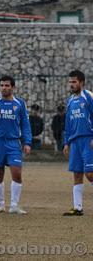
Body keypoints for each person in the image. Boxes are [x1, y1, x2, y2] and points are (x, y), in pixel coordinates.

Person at [0, 75, 32, 214]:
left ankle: (14, 205)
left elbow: (25, 124)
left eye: (7, 85)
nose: (4, 88)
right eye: (2, 85)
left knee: (17, 172)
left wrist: (27, 142)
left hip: (13, 143)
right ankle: (0, 204)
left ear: (13, 87)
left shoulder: (19, 103)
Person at [63, 70, 93, 216]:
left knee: (90, 173)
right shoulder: (70, 101)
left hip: (88, 139)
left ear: (82, 82)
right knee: (77, 174)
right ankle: (78, 207)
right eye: (70, 82)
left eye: (74, 82)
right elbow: (68, 123)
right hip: (74, 142)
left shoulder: (88, 96)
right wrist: (66, 142)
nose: (71, 85)